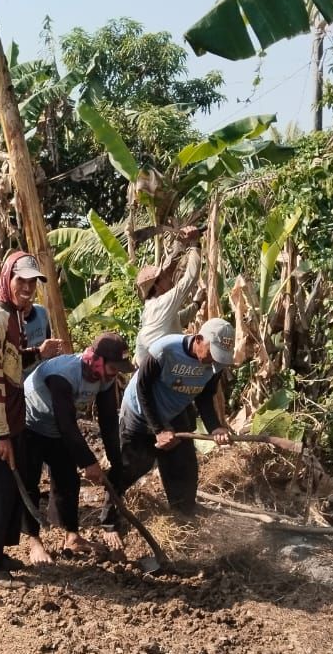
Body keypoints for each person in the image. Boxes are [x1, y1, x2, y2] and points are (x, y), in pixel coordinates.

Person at [0, 251, 63, 587]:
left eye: (32, 282)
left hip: (12, 419)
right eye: (20, 280)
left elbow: (10, 363)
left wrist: (36, 354)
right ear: (7, 278)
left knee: (8, 491)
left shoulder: (14, 317)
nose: (27, 287)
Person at [100, 319, 236, 534]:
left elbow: (205, 396)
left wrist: (215, 428)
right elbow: (142, 389)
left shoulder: (214, 364)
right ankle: (109, 523)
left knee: (183, 466)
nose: (213, 360)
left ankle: (184, 518)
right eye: (211, 352)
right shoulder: (164, 350)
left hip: (174, 411)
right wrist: (159, 430)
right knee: (132, 466)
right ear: (198, 340)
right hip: (139, 410)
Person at [20, 332, 131, 564]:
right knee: (29, 481)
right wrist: (89, 462)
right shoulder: (63, 375)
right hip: (30, 424)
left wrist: (115, 461)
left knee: (68, 480)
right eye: (113, 367)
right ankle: (34, 541)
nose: (116, 373)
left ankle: (72, 536)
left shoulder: (106, 377)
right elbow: (67, 423)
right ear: (96, 360)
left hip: (57, 428)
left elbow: (109, 420)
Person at [134, 225, 203, 366]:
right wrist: (195, 244)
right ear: (157, 285)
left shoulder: (152, 307)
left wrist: (196, 304)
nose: (168, 278)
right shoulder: (162, 303)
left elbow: (176, 320)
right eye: (163, 276)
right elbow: (191, 277)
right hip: (162, 369)